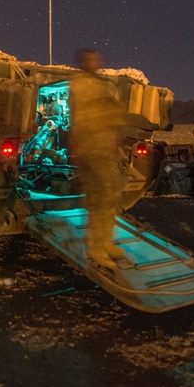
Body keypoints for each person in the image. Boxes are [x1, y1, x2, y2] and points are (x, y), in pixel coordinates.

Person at [67, 48, 128, 269]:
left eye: (97, 59)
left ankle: (106, 242)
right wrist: (110, 110)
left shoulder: (99, 83)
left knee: (111, 195)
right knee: (98, 199)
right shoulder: (80, 83)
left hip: (105, 149)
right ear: (83, 62)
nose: (95, 62)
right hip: (91, 150)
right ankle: (97, 248)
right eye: (90, 59)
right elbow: (89, 114)